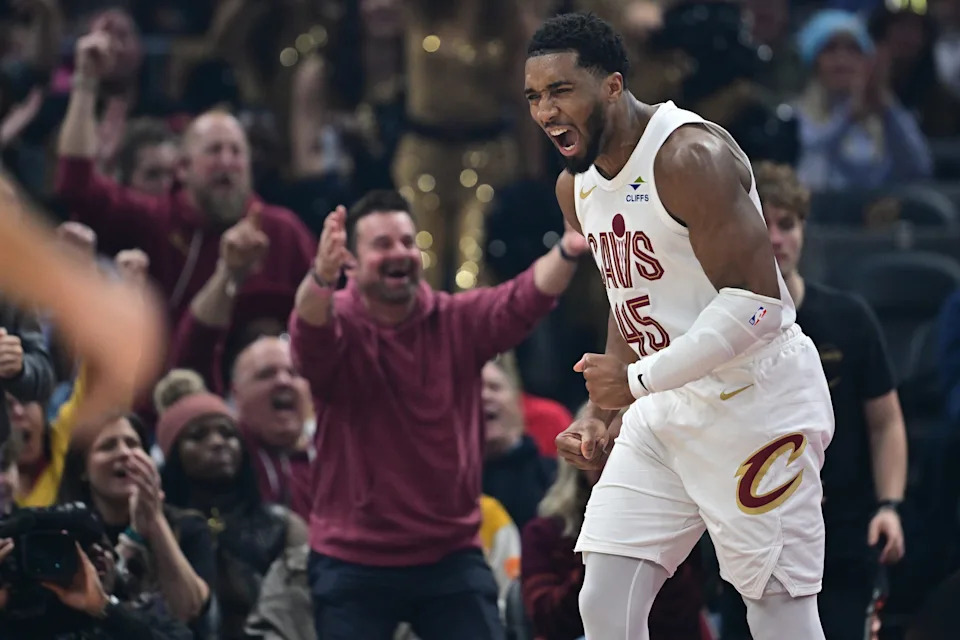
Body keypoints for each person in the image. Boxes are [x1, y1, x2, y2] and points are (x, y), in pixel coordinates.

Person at [524, 13, 834, 640]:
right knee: (604, 599)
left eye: (562, 91)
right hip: (666, 405)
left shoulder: (691, 156)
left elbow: (758, 305)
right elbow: (626, 292)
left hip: (756, 403)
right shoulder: (575, 187)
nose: (546, 111)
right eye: (534, 96)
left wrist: (634, 382)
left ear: (612, 85)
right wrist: (606, 414)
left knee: (778, 617)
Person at [289, 188, 586, 640]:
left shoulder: (454, 321)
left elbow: (520, 299)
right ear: (349, 261)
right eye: (383, 244)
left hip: (449, 555)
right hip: (352, 559)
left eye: (407, 242)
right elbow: (307, 335)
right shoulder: (337, 325)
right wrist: (319, 276)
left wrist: (568, 249)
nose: (401, 253)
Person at [740, 161, 902, 639]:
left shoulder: (848, 318)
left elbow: (886, 423)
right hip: (753, 534)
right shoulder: (719, 332)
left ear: (804, 231)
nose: (775, 239)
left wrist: (889, 505)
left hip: (844, 531)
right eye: (762, 226)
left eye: (787, 225)